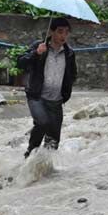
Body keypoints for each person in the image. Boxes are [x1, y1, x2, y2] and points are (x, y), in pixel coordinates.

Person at [18, 17, 77, 159]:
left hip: (56, 101)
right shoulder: (39, 46)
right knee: (43, 122)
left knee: (53, 142)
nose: (63, 35)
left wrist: (65, 90)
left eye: (66, 32)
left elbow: (73, 74)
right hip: (37, 96)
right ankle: (30, 153)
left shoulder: (69, 53)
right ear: (51, 32)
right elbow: (20, 63)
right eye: (60, 32)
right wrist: (36, 53)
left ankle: (43, 169)